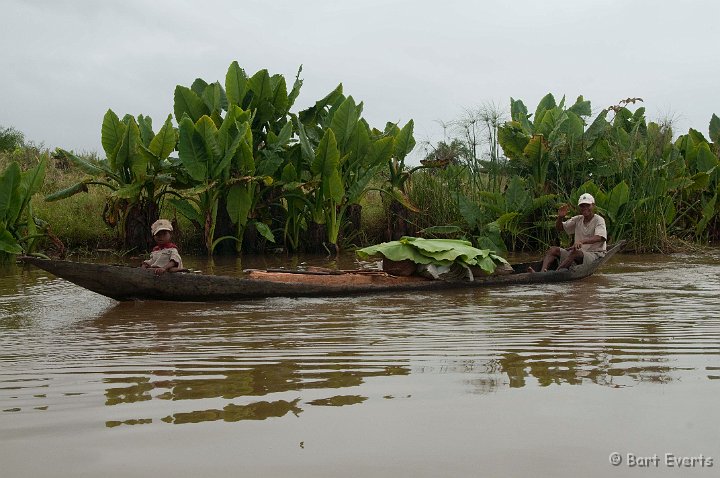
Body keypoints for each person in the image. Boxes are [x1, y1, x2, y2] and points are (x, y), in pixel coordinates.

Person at [530, 193, 607, 273]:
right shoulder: (578, 219)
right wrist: (560, 217)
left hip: (594, 254)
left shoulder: (599, 220)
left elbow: (600, 237)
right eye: (582, 206)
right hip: (578, 253)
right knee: (553, 250)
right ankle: (542, 273)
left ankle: (556, 273)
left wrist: (581, 241)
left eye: (588, 205)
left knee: (574, 253)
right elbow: (560, 228)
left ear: (593, 206)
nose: (585, 208)